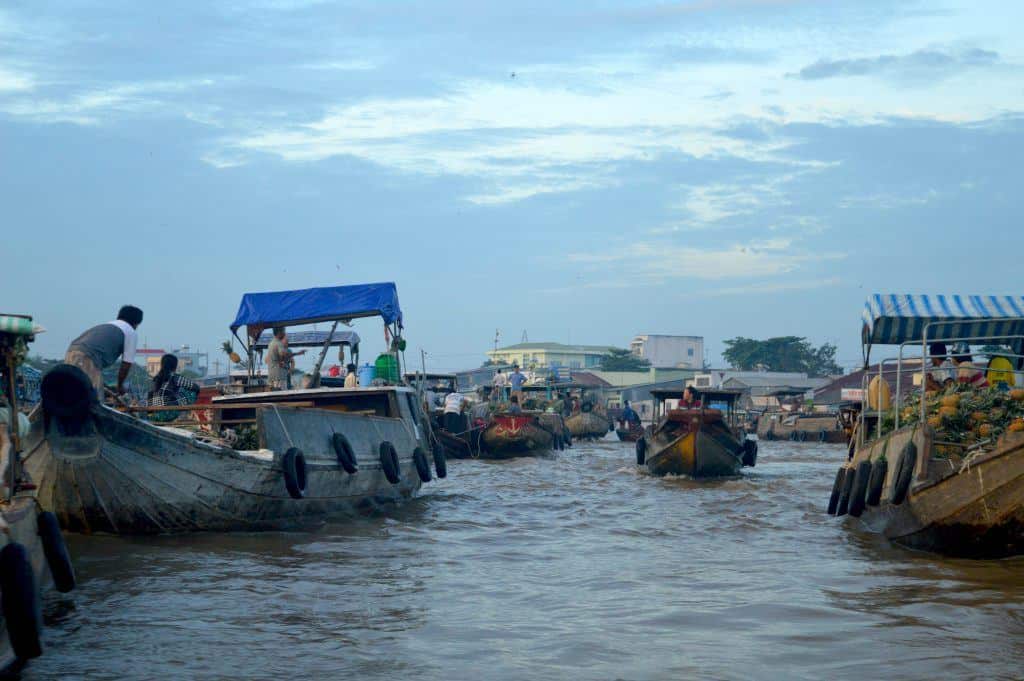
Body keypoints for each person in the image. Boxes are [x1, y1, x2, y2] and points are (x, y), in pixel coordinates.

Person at [65, 305, 143, 398]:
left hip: (71, 352)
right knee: (94, 398)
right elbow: (126, 364)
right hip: (87, 356)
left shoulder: (107, 325)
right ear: (136, 323)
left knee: (75, 391)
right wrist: (120, 386)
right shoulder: (130, 331)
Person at [148, 354, 199, 423]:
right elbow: (196, 387)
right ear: (174, 366)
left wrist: (150, 414)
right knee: (192, 392)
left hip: (154, 416)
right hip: (167, 415)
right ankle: (181, 414)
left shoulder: (156, 378)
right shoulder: (175, 377)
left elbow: (150, 395)